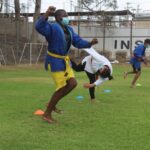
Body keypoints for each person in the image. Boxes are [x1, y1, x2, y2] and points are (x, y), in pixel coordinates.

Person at [35, 6, 98, 124]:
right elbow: (39, 27)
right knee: (61, 88)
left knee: (73, 83)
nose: (67, 18)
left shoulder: (69, 29)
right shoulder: (52, 27)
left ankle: (51, 104)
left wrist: (89, 43)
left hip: (64, 61)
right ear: (58, 17)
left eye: (67, 16)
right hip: (54, 61)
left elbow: (77, 41)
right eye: (64, 16)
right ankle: (47, 114)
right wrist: (47, 14)